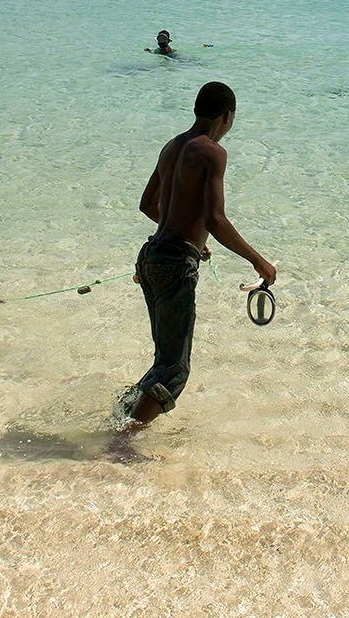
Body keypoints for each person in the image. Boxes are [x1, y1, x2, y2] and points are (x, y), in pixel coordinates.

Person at [120, 81, 277, 432]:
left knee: (164, 361)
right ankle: (120, 441)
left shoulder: (172, 146)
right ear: (228, 115)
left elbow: (148, 205)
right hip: (174, 264)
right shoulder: (212, 152)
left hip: (150, 258)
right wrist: (258, 261)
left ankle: (121, 418)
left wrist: (186, 232)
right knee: (174, 371)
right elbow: (216, 220)